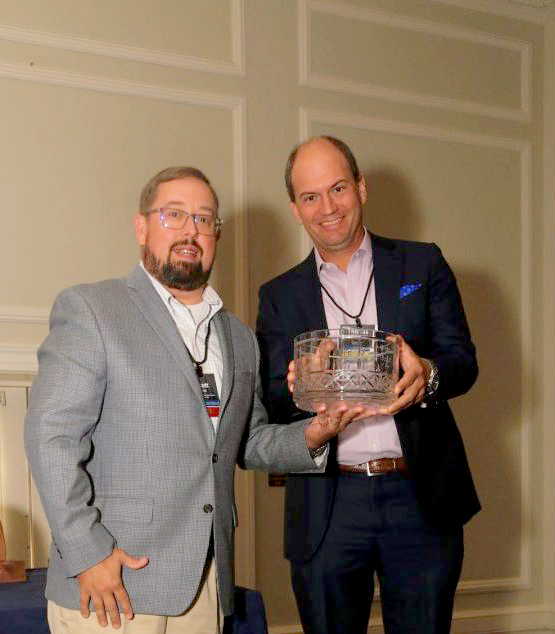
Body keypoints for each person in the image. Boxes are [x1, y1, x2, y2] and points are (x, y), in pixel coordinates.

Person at [24, 166, 362, 633]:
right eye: (174, 215)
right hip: (112, 583)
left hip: (205, 585)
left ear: (217, 235)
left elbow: (245, 442)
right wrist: (88, 555)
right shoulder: (93, 309)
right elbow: (51, 437)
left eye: (205, 219)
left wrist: (314, 432)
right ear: (141, 226)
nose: (191, 230)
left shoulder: (240, 338)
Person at [256, 137, 481, 634]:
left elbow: (462, 361)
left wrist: (426, 374)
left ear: (360, 187)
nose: (327, 207)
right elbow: (272, 400)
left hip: (419, 496)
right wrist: (299, 390)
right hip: (327, 505)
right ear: (295, 209)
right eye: (310, 197)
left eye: (337, 188)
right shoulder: (277, 296)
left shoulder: (422, 264)